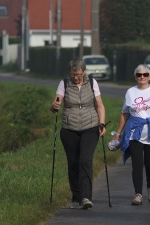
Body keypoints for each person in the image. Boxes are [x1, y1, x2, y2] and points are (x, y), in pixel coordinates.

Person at [50, 57, 106, 209]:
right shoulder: (64, 83)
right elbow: (56, 102)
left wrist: (101, 123)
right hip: (69, 129)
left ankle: (86, 197)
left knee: (85, 160)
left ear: (84, 72)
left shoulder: (93, 83)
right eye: (73, 74)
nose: (75, 77)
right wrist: (55, 105)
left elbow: (99, 105)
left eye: (78, 74)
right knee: (73, 163)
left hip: (90, 127)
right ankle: (76, 197)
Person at [111, 64, 150, 205]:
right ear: (136, 77)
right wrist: (118, 133)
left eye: (145, 75)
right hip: (134, 133)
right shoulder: (130, 92)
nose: (142, 77)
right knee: (137, 165)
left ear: (149, 76)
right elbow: (125, 113)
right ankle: (137, 194)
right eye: (139, 75)